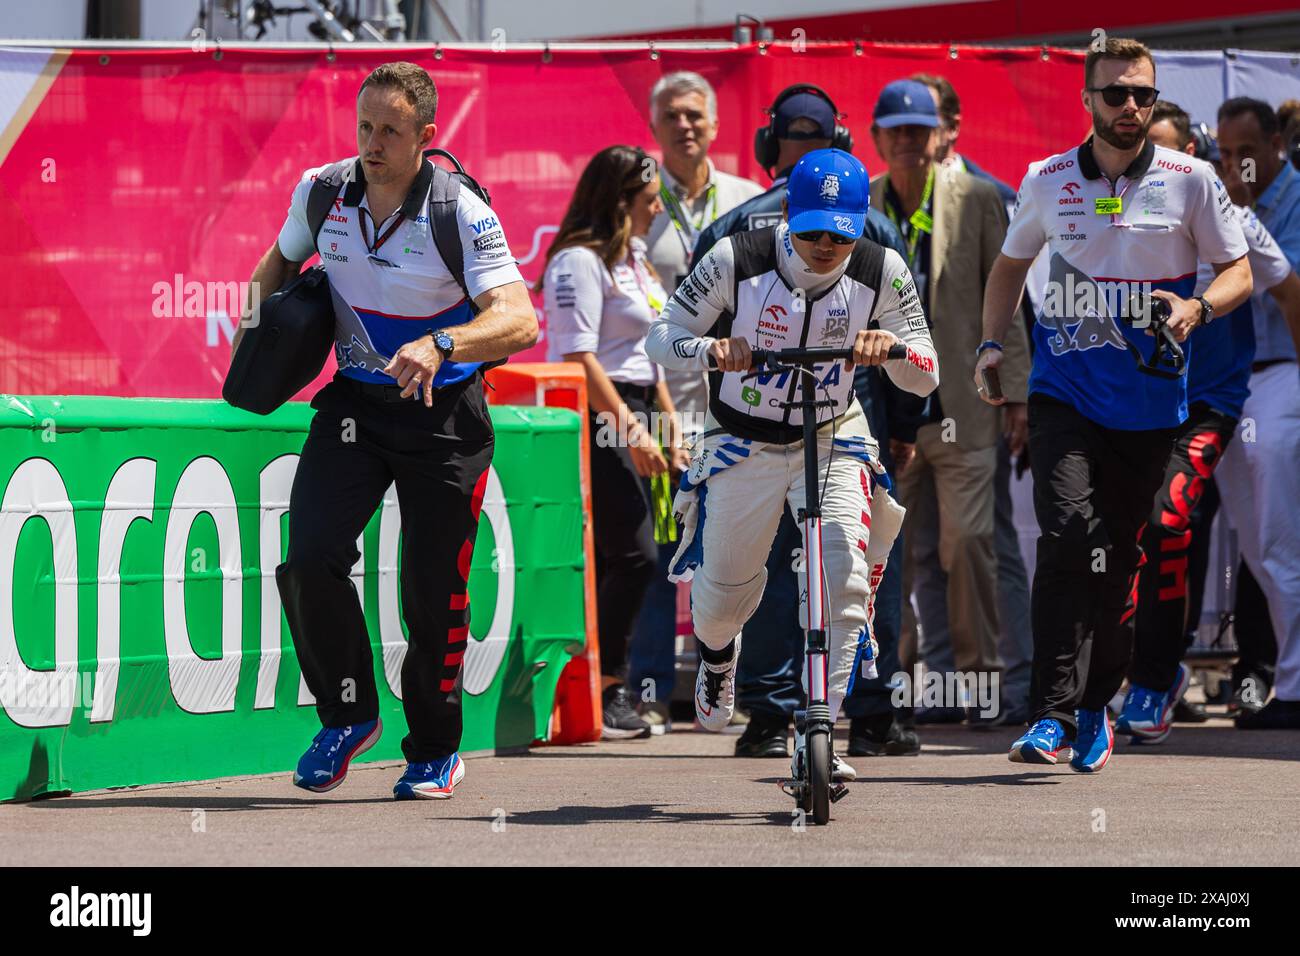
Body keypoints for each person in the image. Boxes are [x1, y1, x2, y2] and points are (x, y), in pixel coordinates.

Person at [237, 62, 538, 799]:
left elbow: (520, 320)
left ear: (426, 137)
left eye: (392, 131)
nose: (373, 143)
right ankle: (346, 714)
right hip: (356, 409)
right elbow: (276, 264)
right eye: (365, 126)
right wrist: (258, 335)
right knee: (308, 557)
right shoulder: (322, 189)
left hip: (446, 416)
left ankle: (435, 750)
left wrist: (442, 345)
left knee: (432, 594)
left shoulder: (459, 211)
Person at [977, 38, 1252, 772]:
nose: (1130, 107)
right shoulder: (1045, 178)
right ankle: (1049, 716)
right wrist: (990, 346)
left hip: (1153, 406)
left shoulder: (1192, 179)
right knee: (1067, 535)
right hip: (1063, 392)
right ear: (1087, 101)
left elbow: (1239, 271)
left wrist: (1197, 308)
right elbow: (1009, 267)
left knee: (1118, 559)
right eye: (1116, 95)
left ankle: (1097, 704)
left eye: (1143, 95)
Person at [645, 148, 940, 784]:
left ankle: (819, 729)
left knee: (845, 578)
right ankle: (720, 657)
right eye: (811, 230)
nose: (826, 244)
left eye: (842, 230)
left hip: (833, 433)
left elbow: (926, 373)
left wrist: (890, 350)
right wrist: (711, 348)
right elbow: (662, 338)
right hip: (742, 438)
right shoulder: (736, 258)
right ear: (788, 216)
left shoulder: (882, 267)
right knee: (725, 592)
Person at [1118, 101, 1300, 742]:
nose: (1153, 168)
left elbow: (1286, 290)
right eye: (1143, 156)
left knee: (1232, 536)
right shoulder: (1113, 216)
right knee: (1127, 535)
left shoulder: (1231, 214)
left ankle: (1165, 679)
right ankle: (1100, 689)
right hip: (1140, 406)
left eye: (1166, 154)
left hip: (1233, 398)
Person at [868, 79, 1032, 725]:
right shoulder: (864, 202)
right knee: (910, 549)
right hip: (892, 412)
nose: (908, 140)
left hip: (966, 402)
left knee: (968, 544)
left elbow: (1008, 300)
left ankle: (990, 682)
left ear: (941, 135)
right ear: (878, 138)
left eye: (918, 129)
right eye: (896, 130)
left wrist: (1015, 394)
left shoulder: (982, 197)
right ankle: (939, 683)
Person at [629, 72, 764, 729]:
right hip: (666, 407)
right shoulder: (639, 203)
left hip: (745, 408)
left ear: (713, 126)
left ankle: (737, 690)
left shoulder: (749, 200)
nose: (685, 126)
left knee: (738, 553)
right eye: (672, 117)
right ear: (655, 128)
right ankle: (650, 694)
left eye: (695, 116)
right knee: (661, 551)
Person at [539, 145, 689, 739]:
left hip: (643, 407)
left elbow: (648, 351)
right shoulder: (578, 261)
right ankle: (603, 689)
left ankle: (610, 687)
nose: (658, 210)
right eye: (650, 200)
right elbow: (579, 357)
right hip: (600, 413)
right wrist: (629, 432)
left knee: (655, 548)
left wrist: (669, 420)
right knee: (628, 555)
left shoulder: (637, 257)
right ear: (621, 201)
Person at [1214, 96, 1300, 729]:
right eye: (1224, 153)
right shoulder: (1218, 201)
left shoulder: (1294, 202)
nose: (1234, 164)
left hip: (1287, 375)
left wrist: (1243, 222)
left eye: (1246, 152)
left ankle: (1295, 687)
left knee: (1279, 537)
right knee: (1253, 540)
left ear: (1277, 143)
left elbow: (1288, 288)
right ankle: (1289, 679)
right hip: (1233, 384)